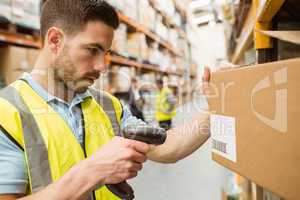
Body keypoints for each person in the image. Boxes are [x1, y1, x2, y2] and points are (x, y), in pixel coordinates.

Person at [0, 1, 211, 200]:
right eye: (93, 50)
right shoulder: (6, 112)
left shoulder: (108, 105)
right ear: (55, 40)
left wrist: (215, 110)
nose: (103, 66)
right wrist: (94, 171)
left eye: (106, 53)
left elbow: (167, 147)